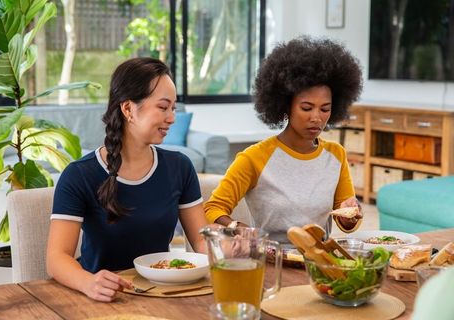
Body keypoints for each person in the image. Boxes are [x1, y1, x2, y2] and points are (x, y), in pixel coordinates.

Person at [46, 57, 207, 302]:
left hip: (162, 293)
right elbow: (57, 258)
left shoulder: (180, 167)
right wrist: (89, 283)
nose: (172, 117)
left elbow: (200, 241)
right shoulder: (79, 175)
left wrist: (227, 248)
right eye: (163, 107)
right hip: (103, 298)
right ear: (128, 109)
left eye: (174, 108)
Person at [205, 36, 364, 243]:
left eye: (325, 109)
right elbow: (213, 207)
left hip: (318, 261)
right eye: (306, 108)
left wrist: (351, 214)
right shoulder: (255, 158)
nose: (316, 117)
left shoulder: (336, 155)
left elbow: (345, 220)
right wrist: (237, 227)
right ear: (285, 105)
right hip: (272, 260)